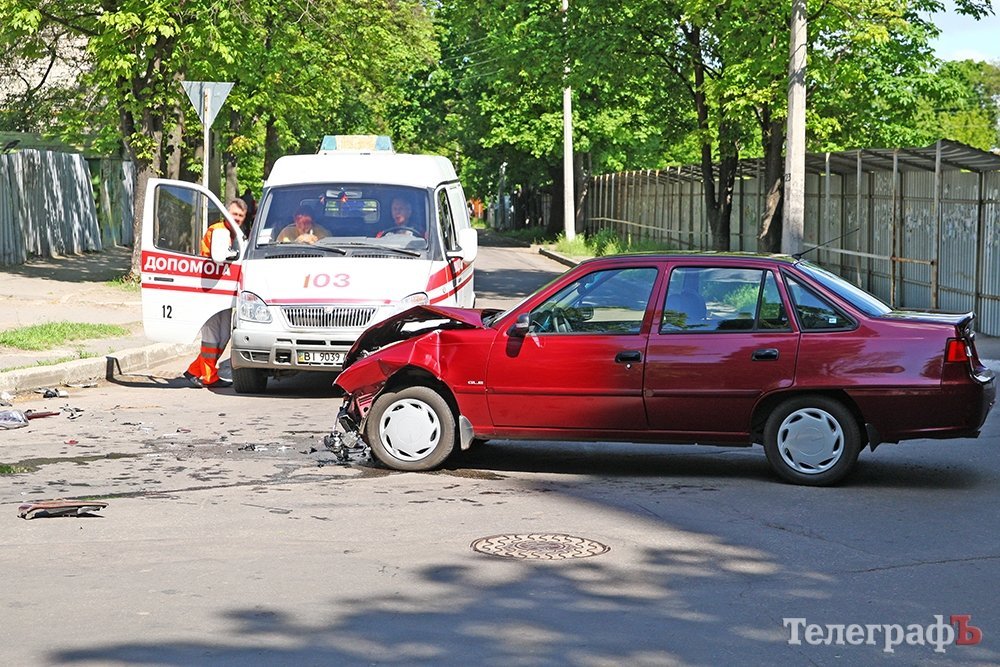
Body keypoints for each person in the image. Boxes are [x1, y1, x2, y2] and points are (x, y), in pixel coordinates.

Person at [182, 199, 247, 389]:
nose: (237, 218)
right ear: (227, 213)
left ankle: (195, 370)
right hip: (209, 289)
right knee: (211, 336)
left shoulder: (238, 235)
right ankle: (208, 376)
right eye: (234, 214)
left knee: (224, 336)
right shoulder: (217, 231)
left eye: (241, 216)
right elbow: (216, 257)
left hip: (225, 292)